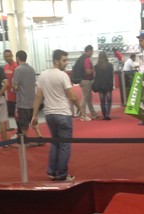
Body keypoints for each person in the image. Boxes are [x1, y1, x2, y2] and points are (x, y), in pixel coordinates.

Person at [31, 49, 82, 182]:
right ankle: (62, 174)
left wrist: (34, 114)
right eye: (64, 60)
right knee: (65, 145)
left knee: (55, 143)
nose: (66, 63)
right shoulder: (62, 75)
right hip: (63, 113)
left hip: (49, 114)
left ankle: (52, 171)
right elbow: (72, 96)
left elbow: (38, 96)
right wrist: (80, 108)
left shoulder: (42, 75)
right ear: (56, 60)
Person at [12, 50, 44, 145]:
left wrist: (13, 87)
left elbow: (16, 86)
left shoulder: (18, 70)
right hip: (32, 100)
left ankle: (24, 140)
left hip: (23, 101)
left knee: (24, 123)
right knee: (33, 119)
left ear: (17, 58)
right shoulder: (31, 69)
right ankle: (40, 137)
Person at [92, 52, 115, 120]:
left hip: (100, 85)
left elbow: (94, 76)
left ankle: (104, 114)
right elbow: (112, 75)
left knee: (102, 101)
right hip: (108, 85)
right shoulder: (110, 65)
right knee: (109, 100)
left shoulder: (96, 66)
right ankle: (107, 113)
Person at [79, 45, 97, 121]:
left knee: (88, 98)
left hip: (83, 80)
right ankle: (82, 114)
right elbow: (88, 71)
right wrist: (93, 70)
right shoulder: (86, 59)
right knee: (85, 98)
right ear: (88, 51)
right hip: (86, 81)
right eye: (92, 51)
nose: (92, 52)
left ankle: (93, 113)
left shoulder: (82, 58)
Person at [2, 49, 18, 127]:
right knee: (10, 114)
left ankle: (20, 132)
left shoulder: (16, 66)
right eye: (6, 56)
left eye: (9, 56)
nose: (7, 58)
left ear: (12, 56)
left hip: (16, 95)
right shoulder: (5, 67)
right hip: (8, 95)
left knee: (17, 115)